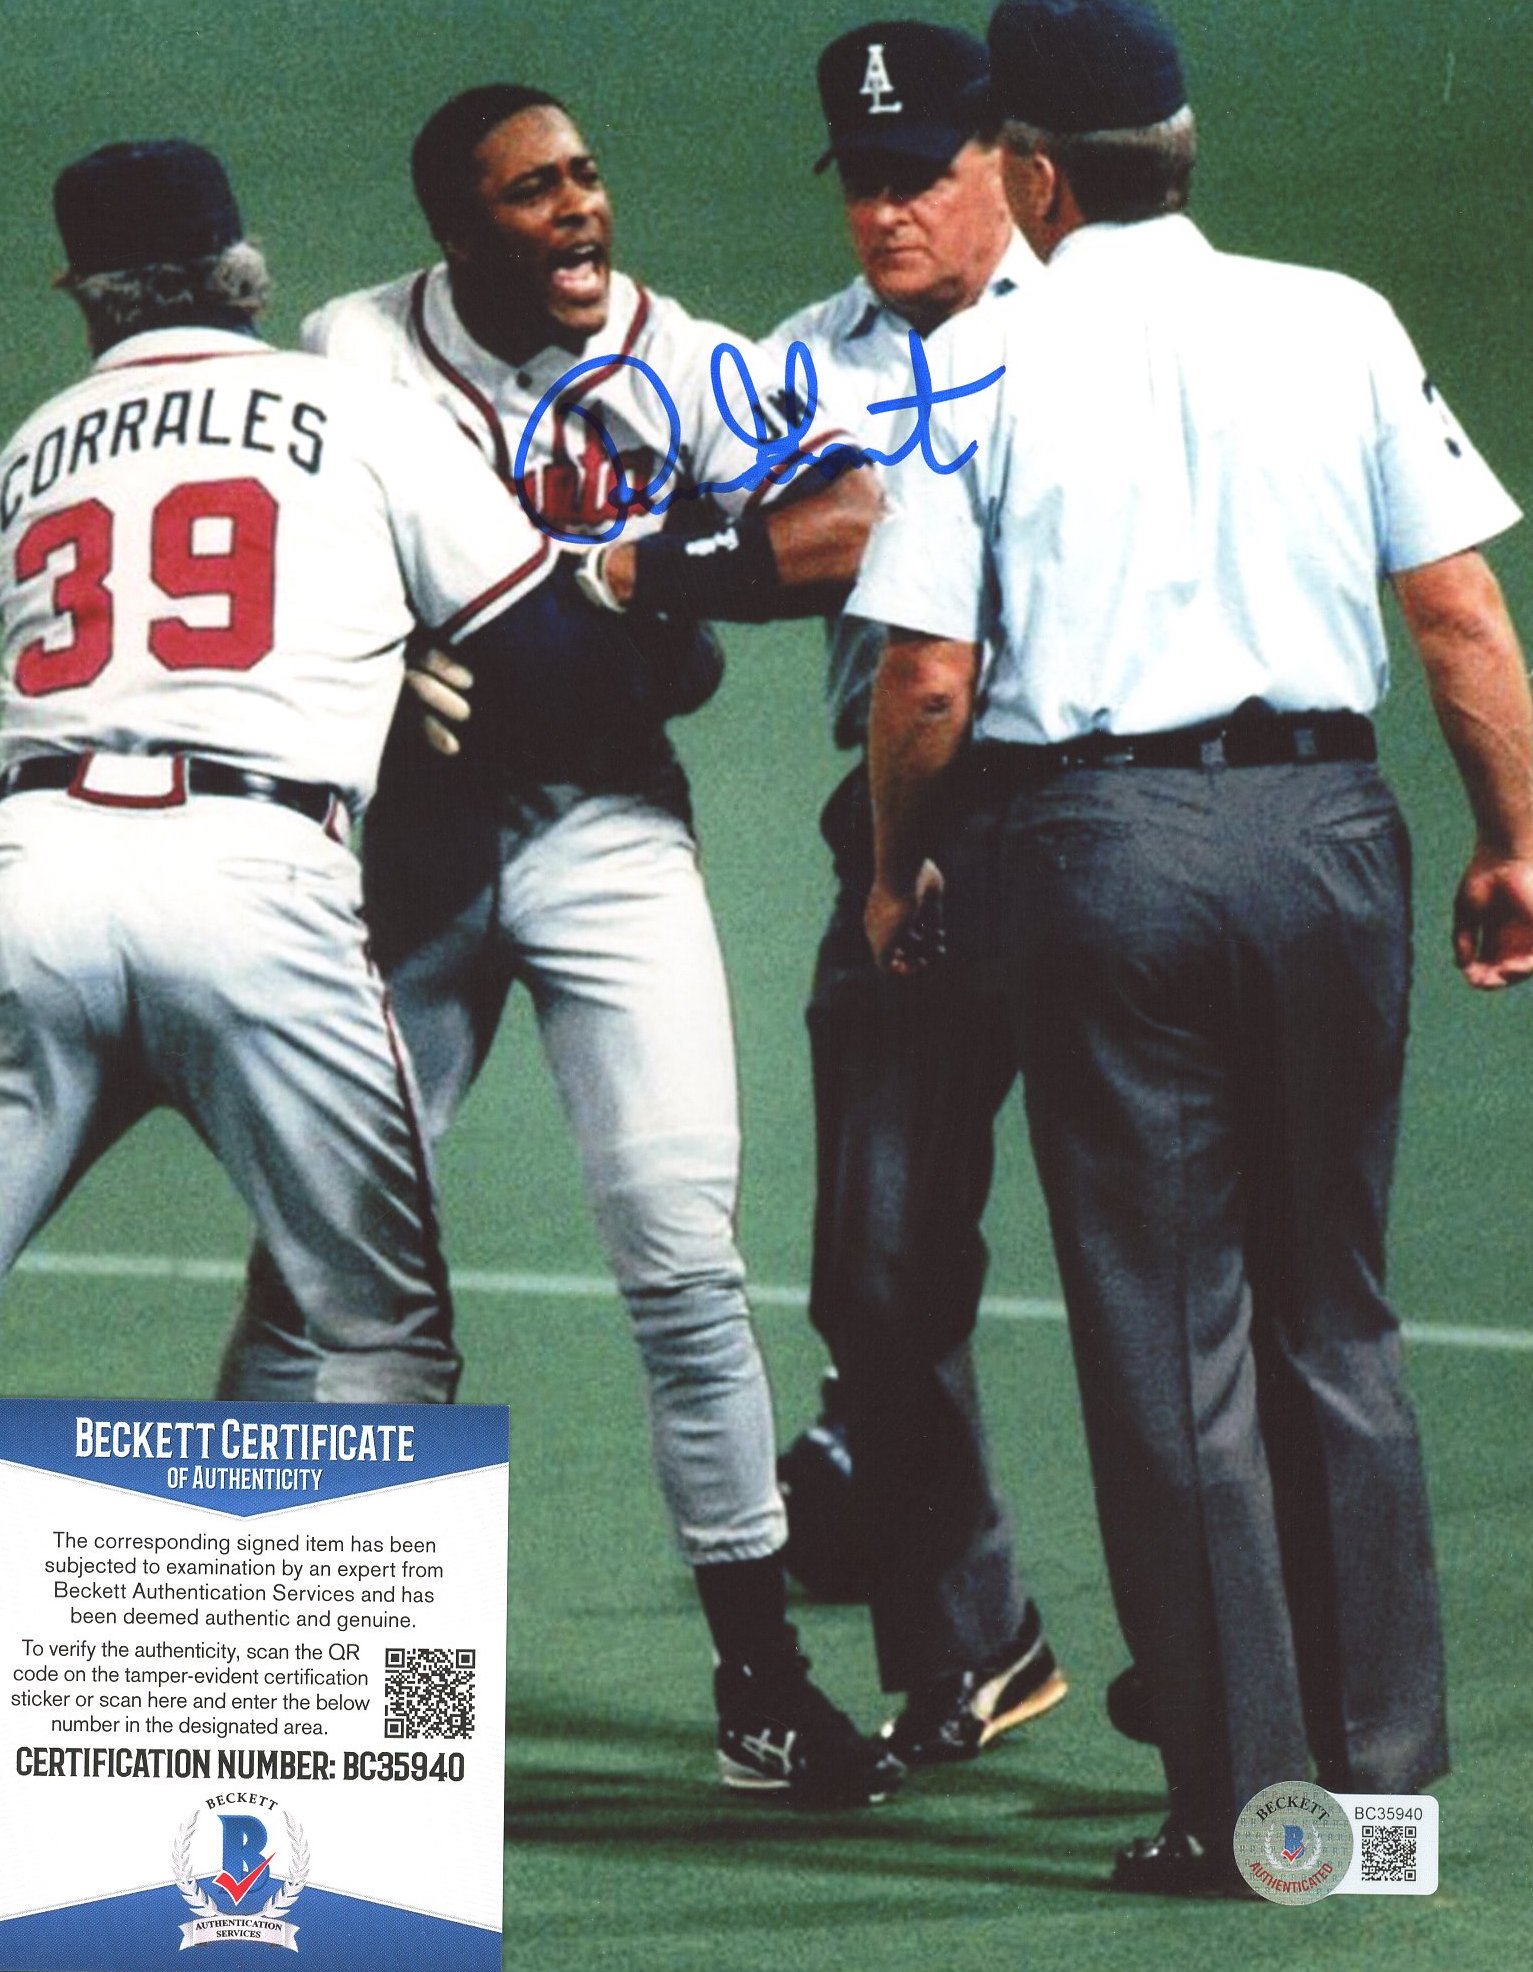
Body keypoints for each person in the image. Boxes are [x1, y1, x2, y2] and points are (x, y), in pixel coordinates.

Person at [852, 0, 1533, 1891]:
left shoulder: (977, 358)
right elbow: (1459, 615)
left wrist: (896, 873)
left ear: (1034, 176)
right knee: (1336, 1309)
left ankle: (1250, 1811)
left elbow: (927, 676)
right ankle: (1376, 1798)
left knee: (1170, 1336)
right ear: (1182, 146)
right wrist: (1512, 839)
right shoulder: (1340, 317)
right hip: (1330, 838)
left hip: (1105, 856)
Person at [215, 85, 900, 1808]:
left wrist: (646, 582)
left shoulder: (690, 357)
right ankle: (248, 1667)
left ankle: (760, 1681)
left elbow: (853, 519)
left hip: (607, 833)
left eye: (588, 176)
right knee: (314, 1263)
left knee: (679, 1250)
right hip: (411, 849)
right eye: (534, 192)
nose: (581, 209)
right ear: (457, 229)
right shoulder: (353, 349)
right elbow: (286, 556)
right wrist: (380, 667)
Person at [0, 139, 689, 1398]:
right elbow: (555, 667)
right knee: (380, 1340)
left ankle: (167, 1532)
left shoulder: (30, 450)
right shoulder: (362, 415)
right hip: (252, 890)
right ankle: (264, 1540)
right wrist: (670, 635)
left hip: (31, 883)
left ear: (80, 292)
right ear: (244, 270)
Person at [762, 20, 1067, 1767]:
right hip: (893, 832)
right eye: (860, 180)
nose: (883, 210)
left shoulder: (1092, 327)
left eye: (918, 176)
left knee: (1179, 1268)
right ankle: (975, 1639)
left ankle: (1250, 1677)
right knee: (874, 1268)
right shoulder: (803, 361)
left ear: (1007, 169)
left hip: (1095, 819)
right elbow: (698, 524)